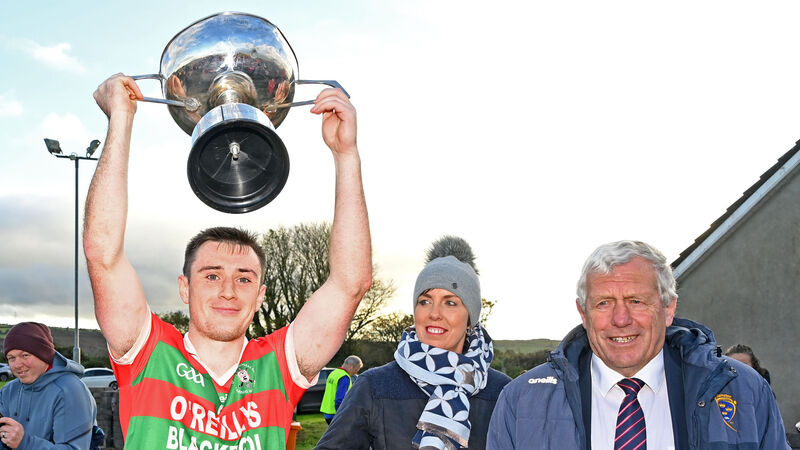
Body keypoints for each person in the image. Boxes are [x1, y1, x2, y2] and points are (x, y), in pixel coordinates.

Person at [85, 74, 372, 448]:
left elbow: (351, 283)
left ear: (260, 295)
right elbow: (102, 253)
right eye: (211, 275)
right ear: (184, 288)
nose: (228, 291)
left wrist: (345, 155)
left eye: (244, 278)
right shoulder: (148, 352)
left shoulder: (279, 366)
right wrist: (120, 122)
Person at [488, 240, 789, 449]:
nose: (621, 319)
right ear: (583, 313)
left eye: (636, 301)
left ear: (668, 308)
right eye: (604, 303)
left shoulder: (744, 392)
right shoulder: (522, 402)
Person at [316, 236, 511, 449]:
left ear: (470, 319)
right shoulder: (374, 387)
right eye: (425, 301)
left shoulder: (504, 394)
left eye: (451, 302)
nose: (434, 313)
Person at [0, 322, 99, 449]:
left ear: (43, 354)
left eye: (25, 355)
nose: (17, 364)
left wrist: (24, 442)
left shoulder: (70, 391)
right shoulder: (9, 391)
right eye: (11, 358)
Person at [320, 355, 363, 424]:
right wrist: (343, 416)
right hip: (336, 414)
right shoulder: (344, 377)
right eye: (356, 370)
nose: (355, 373)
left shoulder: (334, 373)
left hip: (327, 413)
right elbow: (339, 400)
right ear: (351, 366)